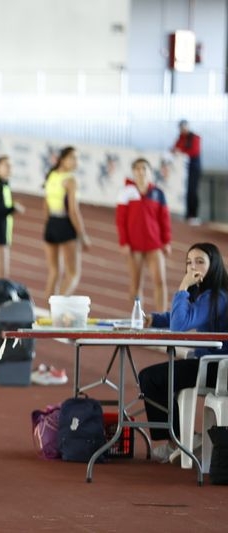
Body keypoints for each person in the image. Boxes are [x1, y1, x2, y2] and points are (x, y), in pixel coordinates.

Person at [138, 242, 228, 463]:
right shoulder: (208, 294)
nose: (192, 267)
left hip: (217, 368)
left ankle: (177, 440)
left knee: (151, 378)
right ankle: (179, 439)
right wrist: (156, 319)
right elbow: (187, 315)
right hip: (208, 363)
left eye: (199, 262)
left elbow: (180, 327)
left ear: (214, 264)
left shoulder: (218, 296)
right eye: (188, 262)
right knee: (157, 377)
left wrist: (182, 288)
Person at [115, 158, 172, 312]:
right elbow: (120, 221)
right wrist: (124, 242)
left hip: (154, 245)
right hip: (134, 246)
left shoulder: (158, 193)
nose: (141, 171)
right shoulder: (126, 193)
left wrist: (166, 241)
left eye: (144, 168)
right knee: (136, 284)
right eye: (137, 169)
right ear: (133, 172)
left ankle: (162, 317)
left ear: (150, 172)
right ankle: (138, 318)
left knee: (160, 281)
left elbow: (164, 219)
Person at [42, 146, 90, 301]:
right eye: (73, 158)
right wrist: (82, 235)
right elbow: (73, 210)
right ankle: (58, 307)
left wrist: (49, 224)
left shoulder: (51, 176)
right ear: (63, 159)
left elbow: (46, 205)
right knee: (73, 274)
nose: (76, 162)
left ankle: (48, 309)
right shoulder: (70, 180)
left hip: (51, 224)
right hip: (65, 225)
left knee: (54, 272)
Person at [171, 120, 202, 226]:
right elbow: (173, 149)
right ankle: (187, 214)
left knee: (192, 191)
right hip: (182, 171)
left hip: (193, 169)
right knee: (184, 191)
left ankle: (193, 215)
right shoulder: (179, 138)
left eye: (184, 127)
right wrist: (175, 151)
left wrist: (181, 151)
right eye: (181, 128)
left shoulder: (195, 137)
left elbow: (194, 151)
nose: (182, 130)